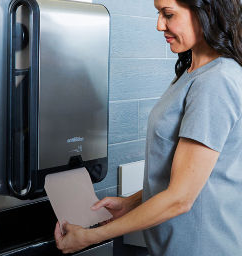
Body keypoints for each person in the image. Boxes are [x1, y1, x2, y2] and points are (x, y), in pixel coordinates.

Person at [54, 0, 242, 255]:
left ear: (205, 11)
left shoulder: (216, 82)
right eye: (158, 13)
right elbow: (182, 173)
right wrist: (130, 203)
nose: (158, 25)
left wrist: (90, 237)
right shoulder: (193, 72)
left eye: (168, 14)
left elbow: (180, 198)